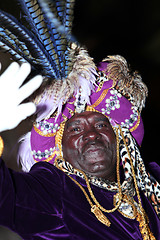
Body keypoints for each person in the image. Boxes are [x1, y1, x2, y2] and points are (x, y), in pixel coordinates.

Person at [0, 0, 160, 239]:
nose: (91, 134)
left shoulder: (153, 183)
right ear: (60, 149)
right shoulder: (53, 193)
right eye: (74, 129)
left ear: (120, 139)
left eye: (101, 124)